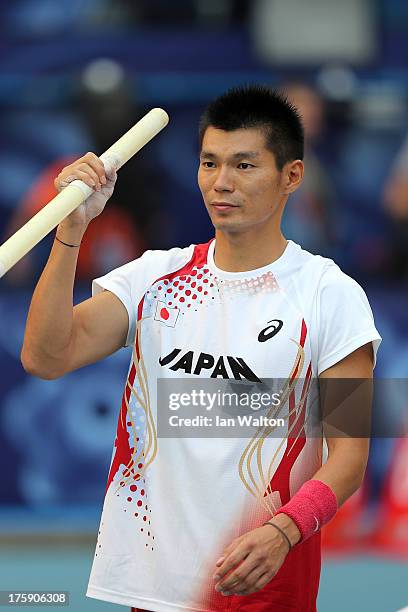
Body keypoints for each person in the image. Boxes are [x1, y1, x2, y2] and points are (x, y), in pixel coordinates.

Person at [21, 85, 381, 612]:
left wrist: (284, 531)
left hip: (264, 586)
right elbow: (46, 357)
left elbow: (349, 456)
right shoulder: (154, 278)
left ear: (292, 176)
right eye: (209, 163)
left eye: (244, 165)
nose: (221, 183)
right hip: (155, 589)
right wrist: (69, 233)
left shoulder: (331, 295)